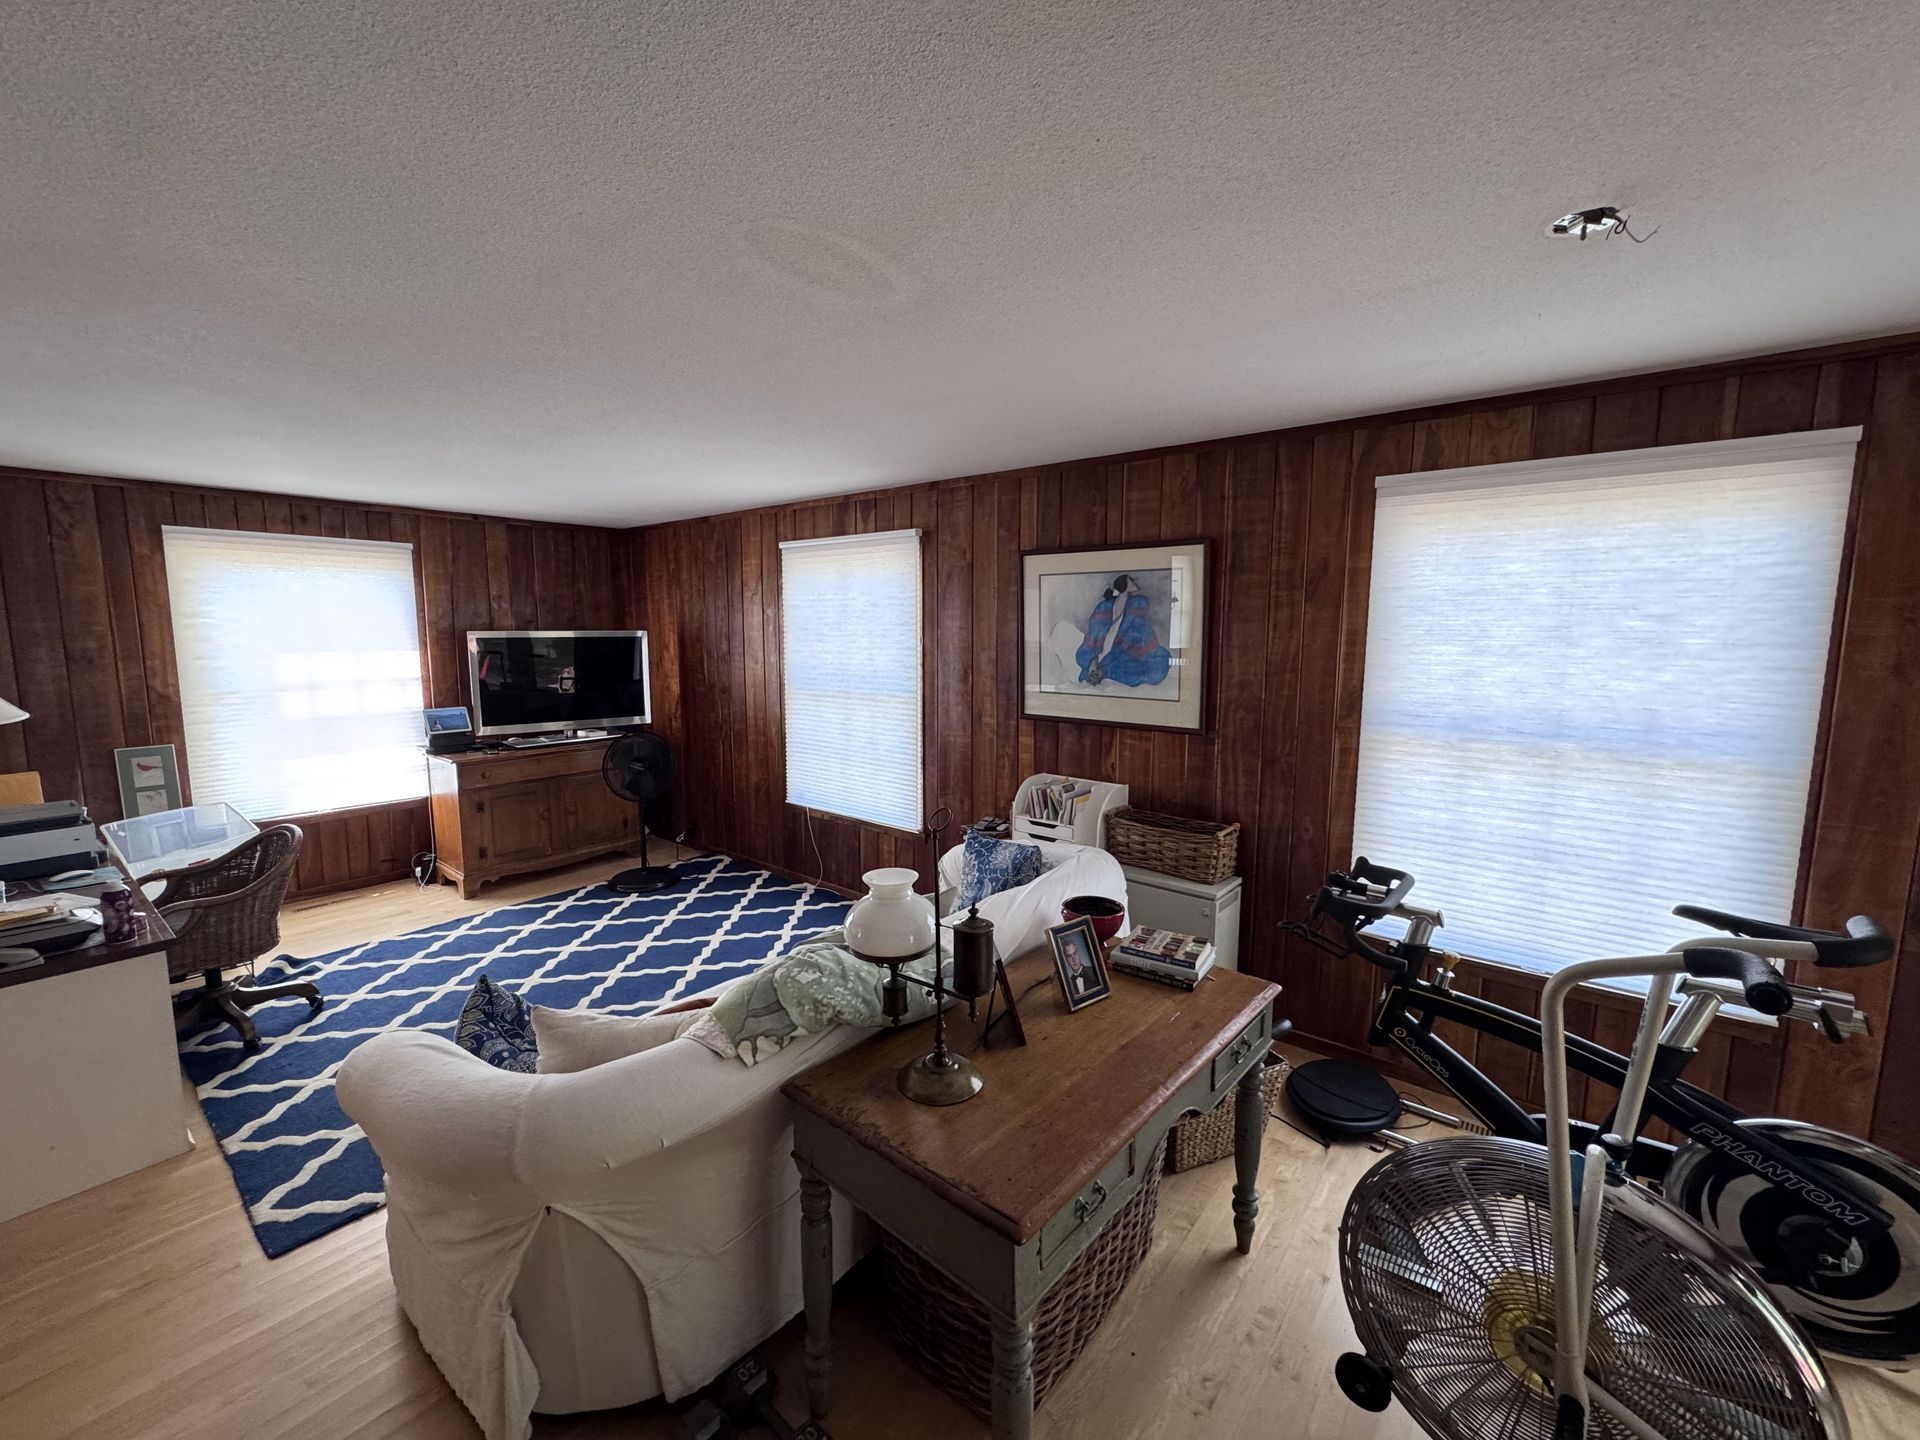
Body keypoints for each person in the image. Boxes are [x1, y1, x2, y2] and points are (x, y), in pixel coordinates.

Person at [1059, 933, 1105, 999]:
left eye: (1075, 953)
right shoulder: (1068, 983)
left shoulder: (1094, 971)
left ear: (1079, 953)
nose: (1074, 959)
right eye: (1069, 956)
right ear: (1066, 959)